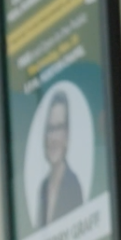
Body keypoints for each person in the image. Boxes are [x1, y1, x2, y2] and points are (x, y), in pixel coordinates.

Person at [32, 90, 87, 226]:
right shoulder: (43, 188)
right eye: (50, 128)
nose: (54, 138)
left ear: (67, 135)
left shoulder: (73, 185)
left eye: (59, 128)